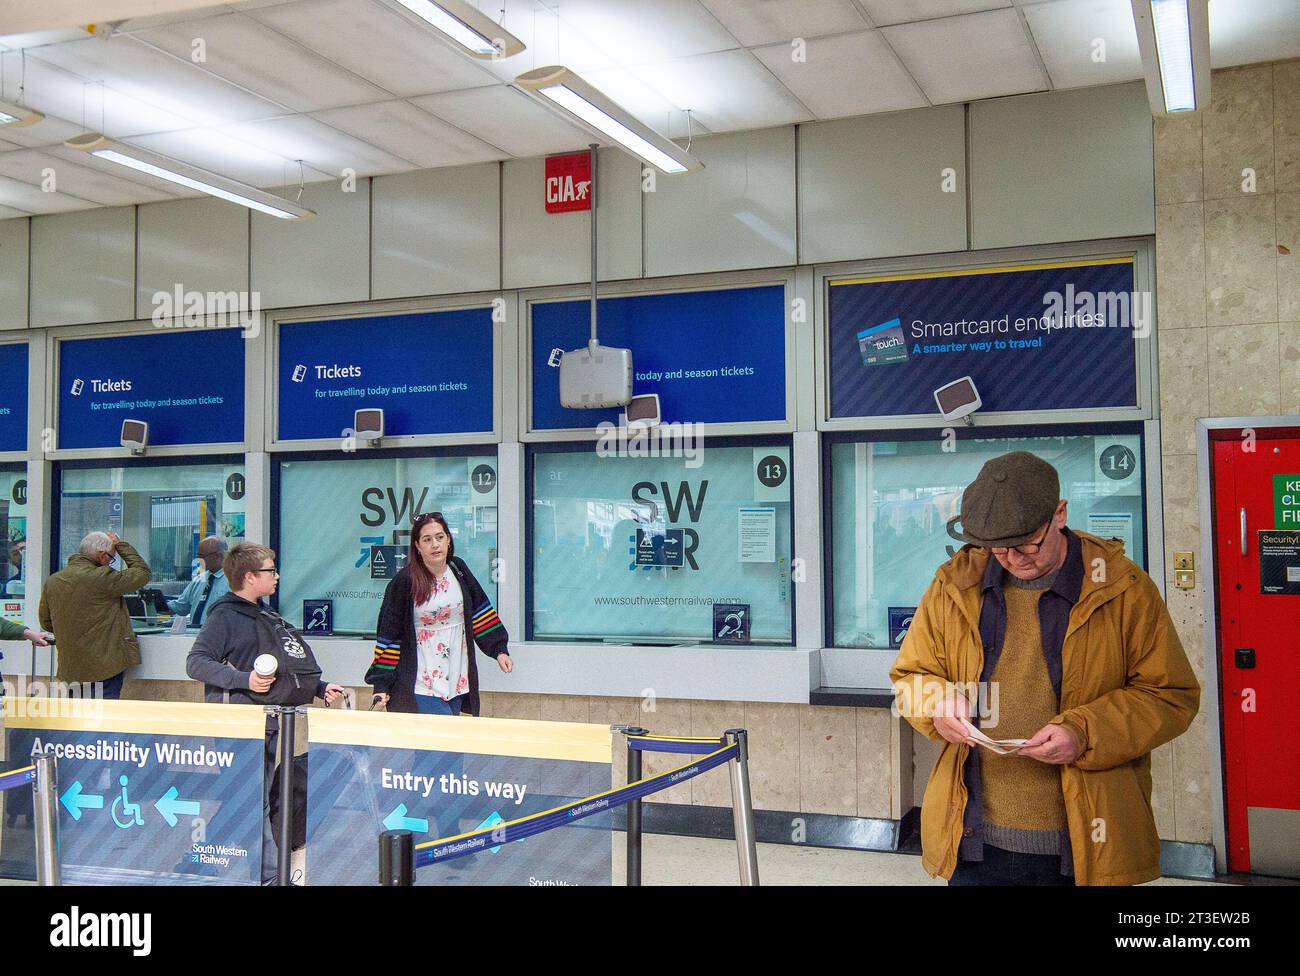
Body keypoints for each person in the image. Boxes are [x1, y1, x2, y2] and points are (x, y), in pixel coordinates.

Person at [890, 451, 1199, 887]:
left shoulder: (1121, 588)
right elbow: (911, 675)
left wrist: (1084, 732)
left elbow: (1170, 695)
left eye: (1027, 545)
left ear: (1060, 514)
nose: (1014, 559)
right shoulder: (953, 585)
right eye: (998, 549)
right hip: (972, 839)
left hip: (1083, 846)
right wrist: (937, 700)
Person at [186, 542, 344, 884]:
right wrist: (245, 680)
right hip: (242, 723)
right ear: (249, 577)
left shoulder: (266, 614)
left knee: (254, 797)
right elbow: (196, 663)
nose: (277, 576)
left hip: (275, 721)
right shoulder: (225, 616)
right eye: (270, 570)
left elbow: (285, 664)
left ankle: (200, 859)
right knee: (251, 798)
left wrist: (319, 687)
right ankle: (269, 873)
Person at [368, 511, 512, 715]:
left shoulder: (458, 569)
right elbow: (389, 636)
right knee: (435, 744)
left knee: (450, 743)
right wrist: (381, 684)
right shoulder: (404, 581)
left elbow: (480, 612)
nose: (435, 544)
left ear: (448, 540)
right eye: (427, 539)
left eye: (440, 537)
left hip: (457, 678)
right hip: (421, 681)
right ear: (417, 546)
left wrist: (499, 649)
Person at [39, 531, 151, 700]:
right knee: (100, 720)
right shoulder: (102, 577)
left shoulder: (54, 581)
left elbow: (46, 622)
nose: (110, 563)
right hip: (105, 667)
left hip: (72, 668)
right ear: (101, 556)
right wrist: (121, 545)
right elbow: (142, 573)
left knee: (76, 719)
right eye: (111, 558)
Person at [168, 536, 229, 628]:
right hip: (194, 636)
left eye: (201, 556)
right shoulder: (199, 579)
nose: (198, 560)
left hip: (220, 636)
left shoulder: (234, 580)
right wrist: (154, 604)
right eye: (198, 556)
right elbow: (181, 607)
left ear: (218, 556)